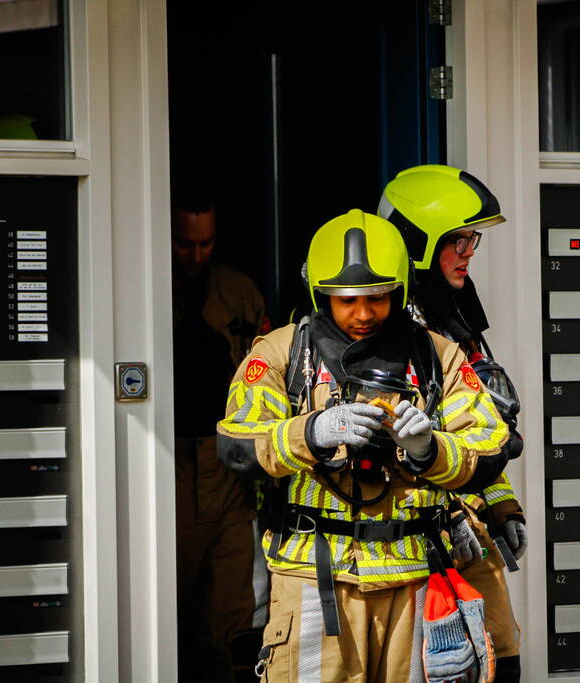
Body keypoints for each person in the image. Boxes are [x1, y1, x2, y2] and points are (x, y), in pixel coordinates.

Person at [217, 209, 511, 682]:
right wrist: (311, 432)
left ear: (399, 291)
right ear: (320, 293)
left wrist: (428, 449)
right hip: (313, 579)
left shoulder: (437, 354)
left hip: (415, 575)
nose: (363, 314)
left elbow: (491, 448)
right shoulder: (280, 353)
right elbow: (235, 447)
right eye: (346, 300)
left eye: (378, 298)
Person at [380, 164, 528, 683]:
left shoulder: (451, 315)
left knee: (500, 649)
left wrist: (502, 502)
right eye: (457, 239)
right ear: (417, 241)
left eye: (472, 240)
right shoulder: (387, 330)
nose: (469, 251)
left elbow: (480, 428)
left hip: (465, 520)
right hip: (404, 539)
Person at [171, 188, 267, 682]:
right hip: (165, 459)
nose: (196, 255)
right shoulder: (142, 281)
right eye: (186, 244)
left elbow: (271, 368)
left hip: (227, 463)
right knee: (169, 605)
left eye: (206, 244)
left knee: (231, 613)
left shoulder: (239, 292)